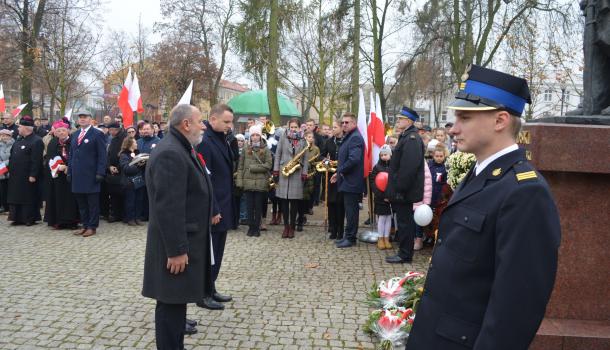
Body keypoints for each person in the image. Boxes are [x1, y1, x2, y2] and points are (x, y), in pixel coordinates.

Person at [405, 65, 561, 349]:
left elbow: (516, 307)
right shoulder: (480, 173)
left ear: (500, 120)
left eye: (464, 117)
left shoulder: (524, 192)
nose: (453, 128)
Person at [142, 104, 213, 349]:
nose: (203, 126)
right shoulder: (171, 152)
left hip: (180, 242)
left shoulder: (180, 147)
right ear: (186, 124)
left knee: (175, 303)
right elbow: (169, 208)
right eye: (200, 121)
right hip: (174, 247)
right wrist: (177, 250)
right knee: (170, 306)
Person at [195, 104, 235, 311]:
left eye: (231, 121)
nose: (230, 125)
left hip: (224, 205)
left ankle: (211, 287)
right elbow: (205, 180)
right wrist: (213, 210)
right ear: (213, 120)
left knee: (217, 252)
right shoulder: (205, 142)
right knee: (209, 254)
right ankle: (203, 293)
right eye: (226, 121)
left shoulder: (222, 139)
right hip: (214, 209)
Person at [385, 106, 425, 263]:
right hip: (402, 190)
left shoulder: (412, 139)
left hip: (404, 191)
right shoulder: (406, 136)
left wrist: (400, 189)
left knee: (405, 223)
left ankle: (405, 254)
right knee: (403, 222)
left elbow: (409, 168)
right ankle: (404, 252)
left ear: (408, 121)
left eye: (400, 119)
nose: (397, 121)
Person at [68, 111, 108, 238]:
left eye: (85, 117)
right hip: (77, 175)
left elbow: (102, 155)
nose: (82, 119)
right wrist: (70, 171)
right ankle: (85, 225)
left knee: (92, 203)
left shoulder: (97, 134)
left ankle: (92, 226)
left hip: (91, 174)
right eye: (80, 118)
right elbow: (71, 155)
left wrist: (100, 172)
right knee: (81, 203)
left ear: (91, 119)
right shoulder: (75, 134)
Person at [331, 112, 365, 248]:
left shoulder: (355, 137)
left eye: (347, 122)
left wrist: (340, 171)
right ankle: (348, 235)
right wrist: (338, 174)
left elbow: (354, 159)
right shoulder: (349, 136)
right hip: (347, 180)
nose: (344, 124)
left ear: (354, 123)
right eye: (343, 122)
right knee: (349, 210)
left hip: (352, 182)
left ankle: (350, 238)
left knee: (351, 211)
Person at [273, 118, 309, 239]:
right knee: (283, 201)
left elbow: (305, 158)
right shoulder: (283, 137)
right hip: (284, 171)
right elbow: (278, 153)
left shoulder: (303, 139)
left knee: (294, 203)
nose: (293, 129)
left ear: (299, 128)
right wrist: (276, 170)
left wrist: (304, 172)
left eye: (295, 127)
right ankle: (286, 227)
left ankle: (292, 227)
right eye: (291, 127)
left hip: (297, 172)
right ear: (289, 127)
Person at [235, 124, 272, 237]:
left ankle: (257, 228)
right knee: (249, 207)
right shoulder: (246, 149)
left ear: (260, 136)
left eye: (257, 135)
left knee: (258, 206)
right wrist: (240, 181)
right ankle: (251, 227)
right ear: (250, 137)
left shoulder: (265, 149)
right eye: (253, 135)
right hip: (248, 183)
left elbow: (268, 165)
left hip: (260, 183)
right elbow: (240, 166)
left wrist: (254, 168)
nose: (255, 137)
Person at [7, 116, 44, 226]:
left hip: (27, 175)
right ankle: (16, 218)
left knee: (28, 197)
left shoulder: (36, 140)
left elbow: (36, 160)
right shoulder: (19, 139)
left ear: (26, 128)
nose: (18, 129)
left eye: (20, 127)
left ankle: (29, 218)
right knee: (16, 196)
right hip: (15, 175)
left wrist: (33, 174)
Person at [44, 120, 79, 229]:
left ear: (68, 131)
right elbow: (50, 157)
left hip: (71, 175)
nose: (61, 133)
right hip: (58, 176)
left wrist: (68, 166)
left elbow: (77, 156)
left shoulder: (74, 141)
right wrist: (59, 166)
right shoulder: (53, 142)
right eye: (59, 131)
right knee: (58, 198)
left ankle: (72, 221)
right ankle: (59, 221)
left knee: (71, 199)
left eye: (63, 130)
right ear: (55, 132)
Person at [322, 120, 344, 240]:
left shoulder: (346, 140)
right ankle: (333, 229)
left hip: (342, 175)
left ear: (341, 128)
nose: (333, 129)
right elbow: (322, 155)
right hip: (330, 174)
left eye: (335, 127)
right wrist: (327, 162)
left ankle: (341, 230)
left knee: (340, 204)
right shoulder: (329, 141)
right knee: (331, 202)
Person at [136, 122, 160, 222]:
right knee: (141, 195)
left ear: (152, 130)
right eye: (143, 129)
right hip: (139, 172)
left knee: (151, 194)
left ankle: (151, 215)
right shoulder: (138, 142)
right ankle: (142, 214)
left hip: (153, 173)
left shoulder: (158, 141)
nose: (145, 131)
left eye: (147, 129)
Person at [370, 145, 393, 250]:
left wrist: (391, 195)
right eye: (382, 155)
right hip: (380, 198)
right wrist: (382, 195)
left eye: (386, 154)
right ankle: (380, 238)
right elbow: (373, 182)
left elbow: (394, 182)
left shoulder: (393, 167)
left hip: (391, 198)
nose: (384, 156)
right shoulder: (377, 167)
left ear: (390, 155)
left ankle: (386, 238)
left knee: (389, 218)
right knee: (382, 218)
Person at [105, 122, 127, 223]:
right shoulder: (112, 139)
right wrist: (109, 166)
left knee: (121, 193)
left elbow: (123, 153)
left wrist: (117, 167)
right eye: (110, 130)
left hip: (120, 170)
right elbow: (108, 154)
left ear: (118, 129)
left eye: (113, 130)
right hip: (112, 170)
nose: (112, 132)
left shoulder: (123, 138)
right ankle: (115, 214)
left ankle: (122, 214)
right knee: (113, 193)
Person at [299, 130, 319, 231]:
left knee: (307, 197)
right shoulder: (301, 147)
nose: (311, 138)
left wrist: (312, 165)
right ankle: (300, 216)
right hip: (300, 174)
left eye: (312, 137)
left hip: (310, 175)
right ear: (305, 137)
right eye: (309, 137)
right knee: (300, 197)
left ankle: (304, 215)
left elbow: (317, 162)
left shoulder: (316, 149)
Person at [0, 129, 15, 213]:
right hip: (1, 170)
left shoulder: (14, 144)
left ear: (10, 136)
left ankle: (10, 206)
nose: (4, 137)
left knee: (10, 188)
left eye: (6, 135)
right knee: (2, 188)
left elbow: (14, 156)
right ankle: (3, 205)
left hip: (11, 169)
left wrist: (5, 163)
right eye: (2, 135)